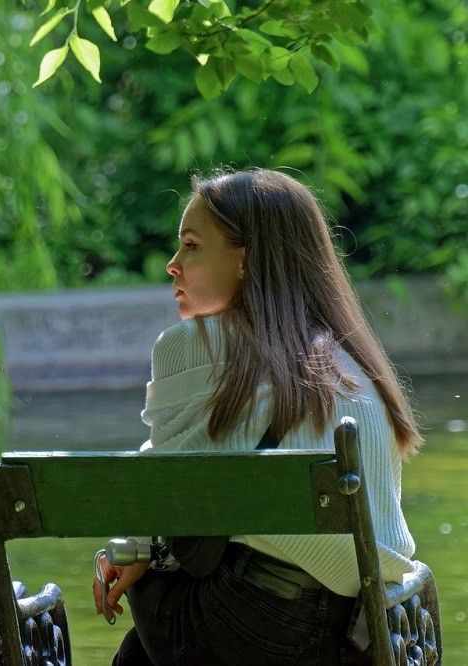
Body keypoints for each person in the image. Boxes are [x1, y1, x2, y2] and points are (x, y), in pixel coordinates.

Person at [91, 168, 422, 665]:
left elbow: (157, 490)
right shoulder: (354, 361)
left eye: (191, 246)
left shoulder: (191, 344)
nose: (172, 264)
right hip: (351, 628)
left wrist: (136, 550)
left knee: (150, 567)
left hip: (250, 626)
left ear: (245, 261)